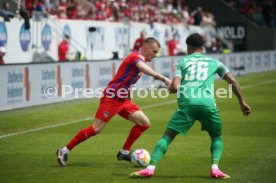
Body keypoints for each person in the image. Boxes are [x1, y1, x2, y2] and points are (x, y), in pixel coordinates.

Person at [130, 33, 251, 179]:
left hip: (187, 104)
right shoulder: (215, 62)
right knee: (216, 137)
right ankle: (215, 168)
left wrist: (170, 89)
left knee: (168, 136)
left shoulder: (183, 62)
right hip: (208, 104)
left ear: (189, 47)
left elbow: (175, 87)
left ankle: (150, 168)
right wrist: (242, 102)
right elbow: (233, 81)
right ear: (202, 47)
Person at [56, 37, 171, 166]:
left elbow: (128, 81)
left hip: (123, 100)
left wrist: (128, 97)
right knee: (96, 129)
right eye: (154, 52)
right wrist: (161, 77)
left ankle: (124, 152)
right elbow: (141, 66)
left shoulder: (139, 59)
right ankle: (64, 150)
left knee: (144, 123)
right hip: (111, 98)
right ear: (145, 48)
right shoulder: (136, 57)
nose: (155, 55)